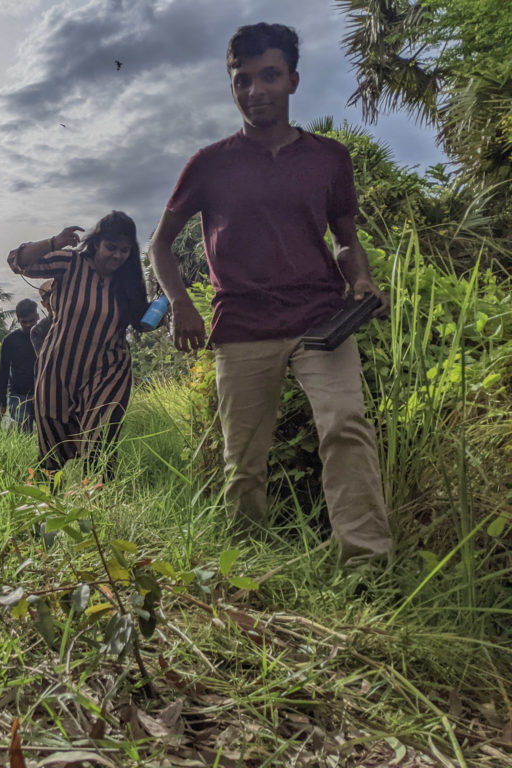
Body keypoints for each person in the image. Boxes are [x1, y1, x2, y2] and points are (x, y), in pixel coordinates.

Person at [149, 23, 392, 563]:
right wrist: (181, 305)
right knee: (244, 459)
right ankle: (248, 564)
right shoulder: (209, 164)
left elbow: (346, 241)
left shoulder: (329, 159)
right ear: (231, 86)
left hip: (321, 321)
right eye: (242, 80)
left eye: (269, 77)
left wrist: (362, 280)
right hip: (242, 326)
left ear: (293, 80)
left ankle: (366, 560)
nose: (255, 90)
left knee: (346, 426)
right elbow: (160, 245)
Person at [8, 211, 148, 474]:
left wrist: (165, 310)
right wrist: (53, 243)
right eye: (111, 247)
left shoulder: (128, 281)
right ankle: (46, 507)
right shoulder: (70, 263)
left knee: (101, 446)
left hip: (109, 372)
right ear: (96, 243)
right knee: (51, 454)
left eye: (124, 250)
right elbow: (18, 261)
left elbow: (142, 321)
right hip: (58, 370)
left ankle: (96, 506)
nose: (118, 256)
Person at [0, 298, 39, 432]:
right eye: (24, 322)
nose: (28, 325)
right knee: (22, 435)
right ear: (18, 319)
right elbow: (2, 371)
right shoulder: (10, 340)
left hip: (42, 394)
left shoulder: (45, 336)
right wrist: (1, 401)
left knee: (47, 435)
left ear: (37, 316)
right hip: (18, 396)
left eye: (31, 321)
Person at [30, 279, 56, 355]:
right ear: (43, 304)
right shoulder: (38, 330)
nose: (54, 307)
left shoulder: (74, 322)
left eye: (56, 302)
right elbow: (44, 358)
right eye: (49, 304)